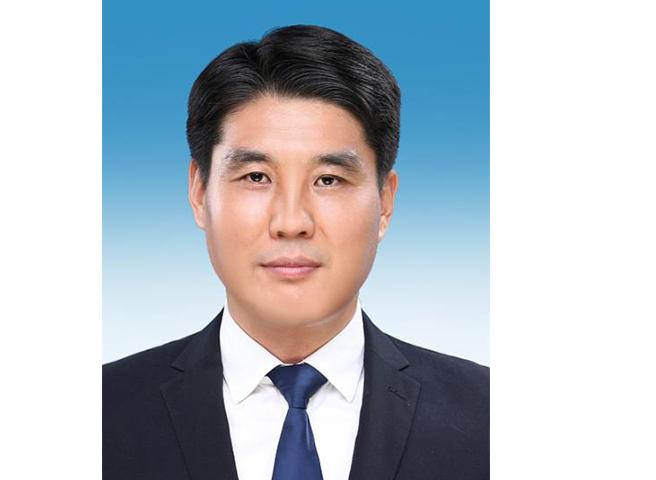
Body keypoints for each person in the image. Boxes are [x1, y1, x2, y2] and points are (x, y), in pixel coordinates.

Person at [103, 25, 488, 480]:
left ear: (385, 202)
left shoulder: (488, 415)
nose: (291, 221)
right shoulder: (103, 413)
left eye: (328, 180)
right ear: (199, 192)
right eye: (256, 177)